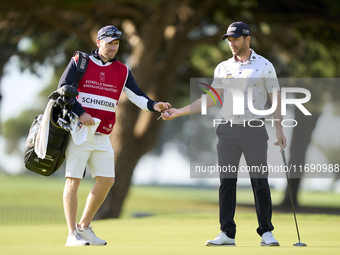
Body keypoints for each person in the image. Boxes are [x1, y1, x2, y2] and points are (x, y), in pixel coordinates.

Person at [162, 21, 286, 246]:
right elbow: (211, 98)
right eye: (229, 40)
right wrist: (179, 111)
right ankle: (227, 233)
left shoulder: (265, 66)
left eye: (236, 39)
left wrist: (279, 128)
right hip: (227, 130)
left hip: (255, 129)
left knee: (259, 181)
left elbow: (275, 99)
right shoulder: (222, 68)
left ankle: (266, 232)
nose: (232, 43)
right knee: (226, 181)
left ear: (248, 39)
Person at [58, 25, 171, 246]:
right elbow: (63, 88)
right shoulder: (80, 61)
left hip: (102, 133)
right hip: (79, 130)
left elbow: (136, 95)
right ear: (99, 42)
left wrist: (155, 105)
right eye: (109, 42)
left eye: (117, 43)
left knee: (107, 180)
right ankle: (72, 234)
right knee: (73, 180)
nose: (113, 47)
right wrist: (81, 113)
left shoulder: (123, 70)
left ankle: (84, 227)